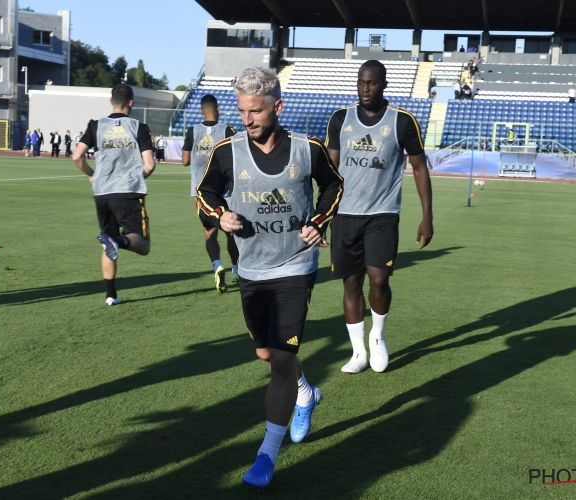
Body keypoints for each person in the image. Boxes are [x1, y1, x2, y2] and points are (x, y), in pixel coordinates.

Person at [196, 67, 343, 490]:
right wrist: (219, 214)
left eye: (256, 111)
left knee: (280, 358)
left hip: (296, 266)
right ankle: (306, 391)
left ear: (277, 107)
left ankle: (266, 455)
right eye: (243, 111)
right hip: (251, 267)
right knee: (265, 353)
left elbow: (333, 186)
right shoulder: (227, 152)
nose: (248, 119)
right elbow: (205, 194)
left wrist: (319, 221)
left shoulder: (308, 149)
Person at [325, 60, 434, 375]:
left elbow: (419, 168)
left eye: (371, 83)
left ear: (384, 84)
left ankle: (377, 336)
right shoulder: (339, 119)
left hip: (382, 213)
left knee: (378, 280)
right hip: (345, 214)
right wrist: (320, 215)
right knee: (351, 283)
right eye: (361, 82)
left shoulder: (402, 121)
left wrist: (427, 217)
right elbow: (329, 172)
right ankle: (358, 352)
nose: (365, 88)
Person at [72, 84, 156, 306]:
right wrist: (134, 179)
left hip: (102, 193)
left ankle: (111, 295)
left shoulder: (96, 125)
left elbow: (77, 157)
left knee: (107, 242)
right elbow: (149, 164)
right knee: (143, 246)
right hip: (128, 192)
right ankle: (117, 241)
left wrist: (93, 175)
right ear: (131, 102)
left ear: (111, 101)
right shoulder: (139, 127)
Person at [183, 94, 239, 291]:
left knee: (209, 233)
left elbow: (184, 160)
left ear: (201, 110)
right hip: (226, 190)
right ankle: (236, 269)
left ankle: (217, 265)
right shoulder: (227, 130)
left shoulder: (192, 130)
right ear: (218, 109)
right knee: (231, 233)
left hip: (202, 193)